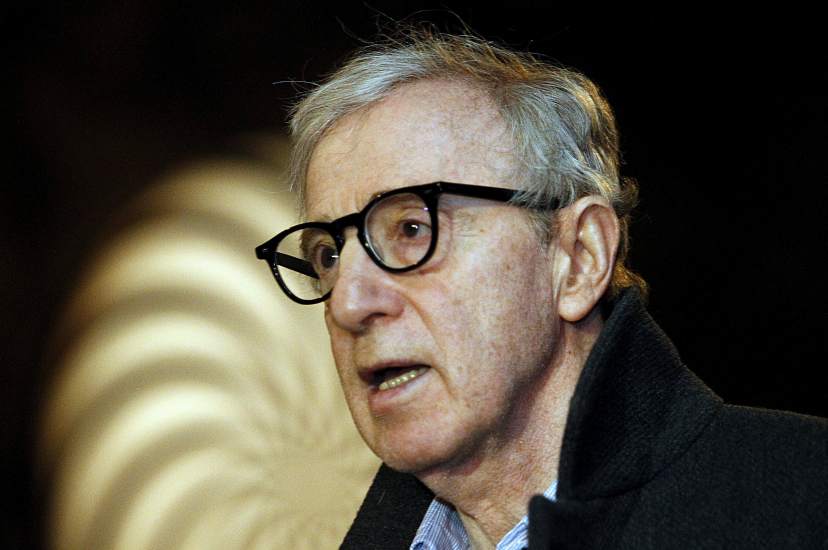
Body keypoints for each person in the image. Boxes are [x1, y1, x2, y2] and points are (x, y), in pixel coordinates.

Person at [255, 29, 827, 549]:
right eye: (329, 256)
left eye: (412, 229)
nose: (349, 303)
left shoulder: (803, 501)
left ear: (578, 259)